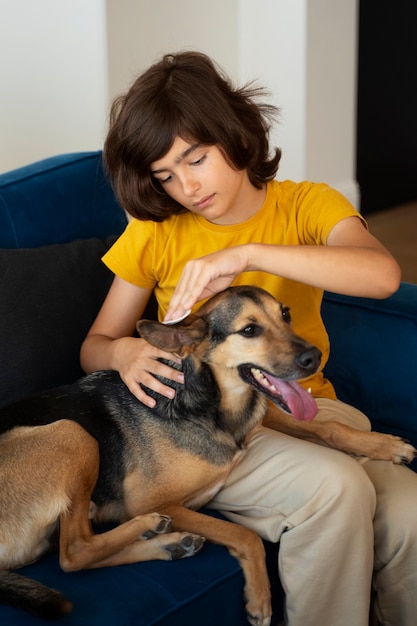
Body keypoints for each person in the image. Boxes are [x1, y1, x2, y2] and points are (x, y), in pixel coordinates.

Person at [80, 51, 417, 626]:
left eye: (196, 158)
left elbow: (383, 277)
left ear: (234, 134)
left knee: (408, 509)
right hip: (212, 421)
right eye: (165, 174)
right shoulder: (155, 230)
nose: (185, 186)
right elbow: (96, 343)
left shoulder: (308, 205)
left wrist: (246, 253)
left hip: (309, 403)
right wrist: (123, 352)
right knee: (337, 489)